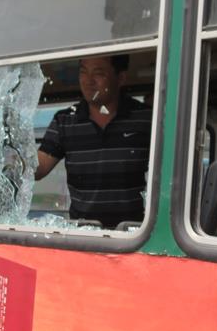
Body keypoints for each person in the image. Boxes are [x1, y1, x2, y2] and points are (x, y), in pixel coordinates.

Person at [35, 55, 152, 229]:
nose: (88, 81)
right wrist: (4, 160)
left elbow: (169, 174)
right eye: (83, 72)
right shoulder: (65, 120)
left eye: (98, 73)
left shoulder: (145, 118)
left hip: (134, 235)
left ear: (120, 78)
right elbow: (38, 168)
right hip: (85, 235)